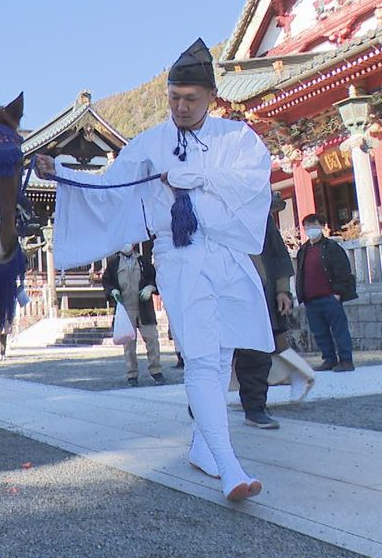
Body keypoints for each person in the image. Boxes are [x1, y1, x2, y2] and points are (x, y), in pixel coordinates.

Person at [36, 38, 271, 502]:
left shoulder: (237, 138)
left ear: (211, 100)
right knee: (202, 359)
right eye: (173, 98)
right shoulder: (150, 144)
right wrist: (62, 174)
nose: (180, 108)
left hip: (225, 254)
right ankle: (229, 468)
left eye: (191, 100)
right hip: (181, 255)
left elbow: (253, 181)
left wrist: (197, 176)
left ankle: (204, 447)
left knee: (222, 356)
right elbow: (110, 189)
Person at [233, 192, 295, 429]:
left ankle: (255, 407)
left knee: (256, 352)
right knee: (214, 355)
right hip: (221, 287)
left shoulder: (259, 214)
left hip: (258, 289)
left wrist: (282, 290)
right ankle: (204, 404)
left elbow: (278, 253)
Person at [296, 213, 357, 372]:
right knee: (319, 332)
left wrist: (337, 293)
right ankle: (329, 359)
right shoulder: (303, 250)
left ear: (322, 226)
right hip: (311, 299)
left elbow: (343, 270)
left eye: (314, 225)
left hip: (330, 297)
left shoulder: (331, 248)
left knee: (339, 330)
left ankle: (346, 360)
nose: (310, 229)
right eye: (307, 226)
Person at [102, 241, 165, 387]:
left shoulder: (143, 261)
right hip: (125, 308)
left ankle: (156, 370)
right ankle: (132, 374)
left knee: (152, 339)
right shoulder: (113, 264)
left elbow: (154, 278)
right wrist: (113, 291)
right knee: (128, 344)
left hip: (144, 308)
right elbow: (106, 282)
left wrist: (150, 287)